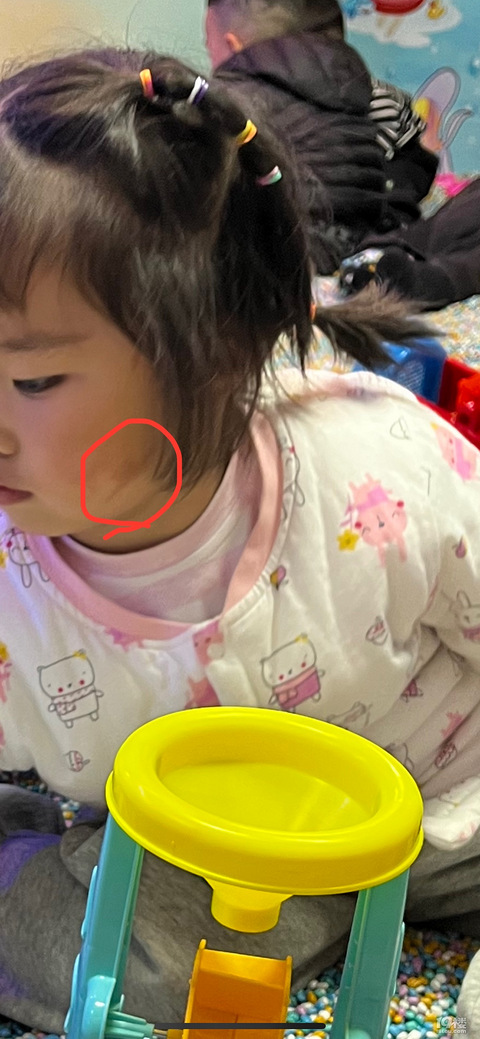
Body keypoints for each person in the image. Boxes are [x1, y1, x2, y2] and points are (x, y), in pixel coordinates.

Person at [0, 46, 479, 1033]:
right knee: (120, 962)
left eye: (33, 380)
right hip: (243, 861)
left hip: (456, 813)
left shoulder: (376, 469)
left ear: (219, 352)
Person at [206, 0, 480, 308]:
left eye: (208, 47)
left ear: (234, 46)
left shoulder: (230, 100)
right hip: (353, 234)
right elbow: (401, 169)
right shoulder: (369, 93)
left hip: (284, 250)